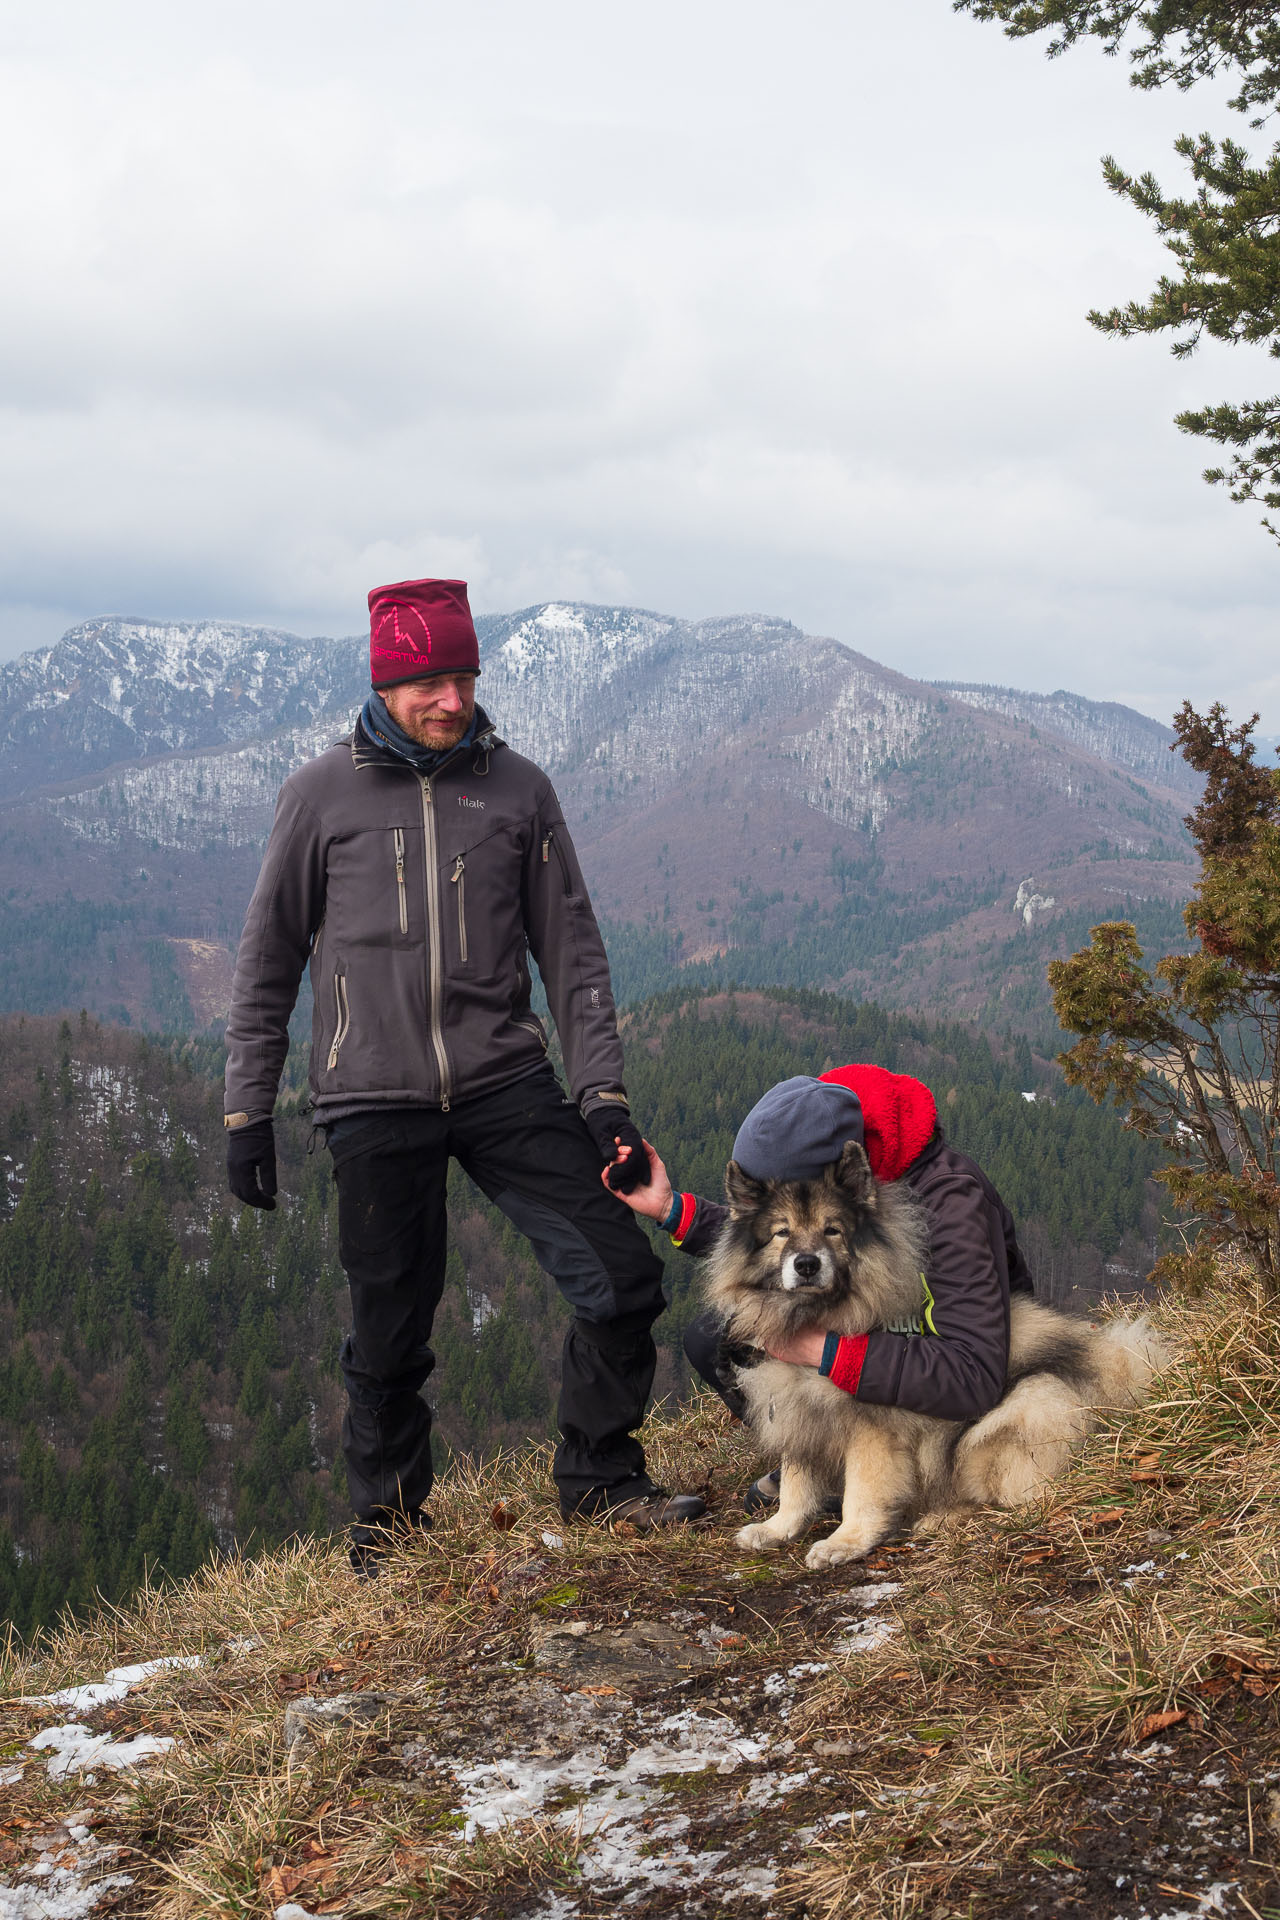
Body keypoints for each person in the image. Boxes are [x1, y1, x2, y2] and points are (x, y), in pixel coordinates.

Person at [223, 576, 704, 1571]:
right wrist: (245, 1112)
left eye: (463, 678)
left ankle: (602, 1483)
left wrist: (602, 1098)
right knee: (388, 1331)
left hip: (502, 1082)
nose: (450, 701)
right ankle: (388, 1533)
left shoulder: (518, 789)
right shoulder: (320, 795)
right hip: (369, 1095)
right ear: (386, 683)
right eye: (428, 683)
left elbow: (571, 954)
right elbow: (269, 956)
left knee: (619, 1280)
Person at [606, 1062, 1033, 1510]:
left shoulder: (951, 1202)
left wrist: (822, 1352)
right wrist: (671, 1208)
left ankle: (867, 1478)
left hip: (954, 1386)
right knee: (714, 1337)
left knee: (797, 1354)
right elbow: (776, 1237)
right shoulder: (824, 1133)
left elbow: (974, 1376)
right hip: (882, 1347)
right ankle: (823, 1461)